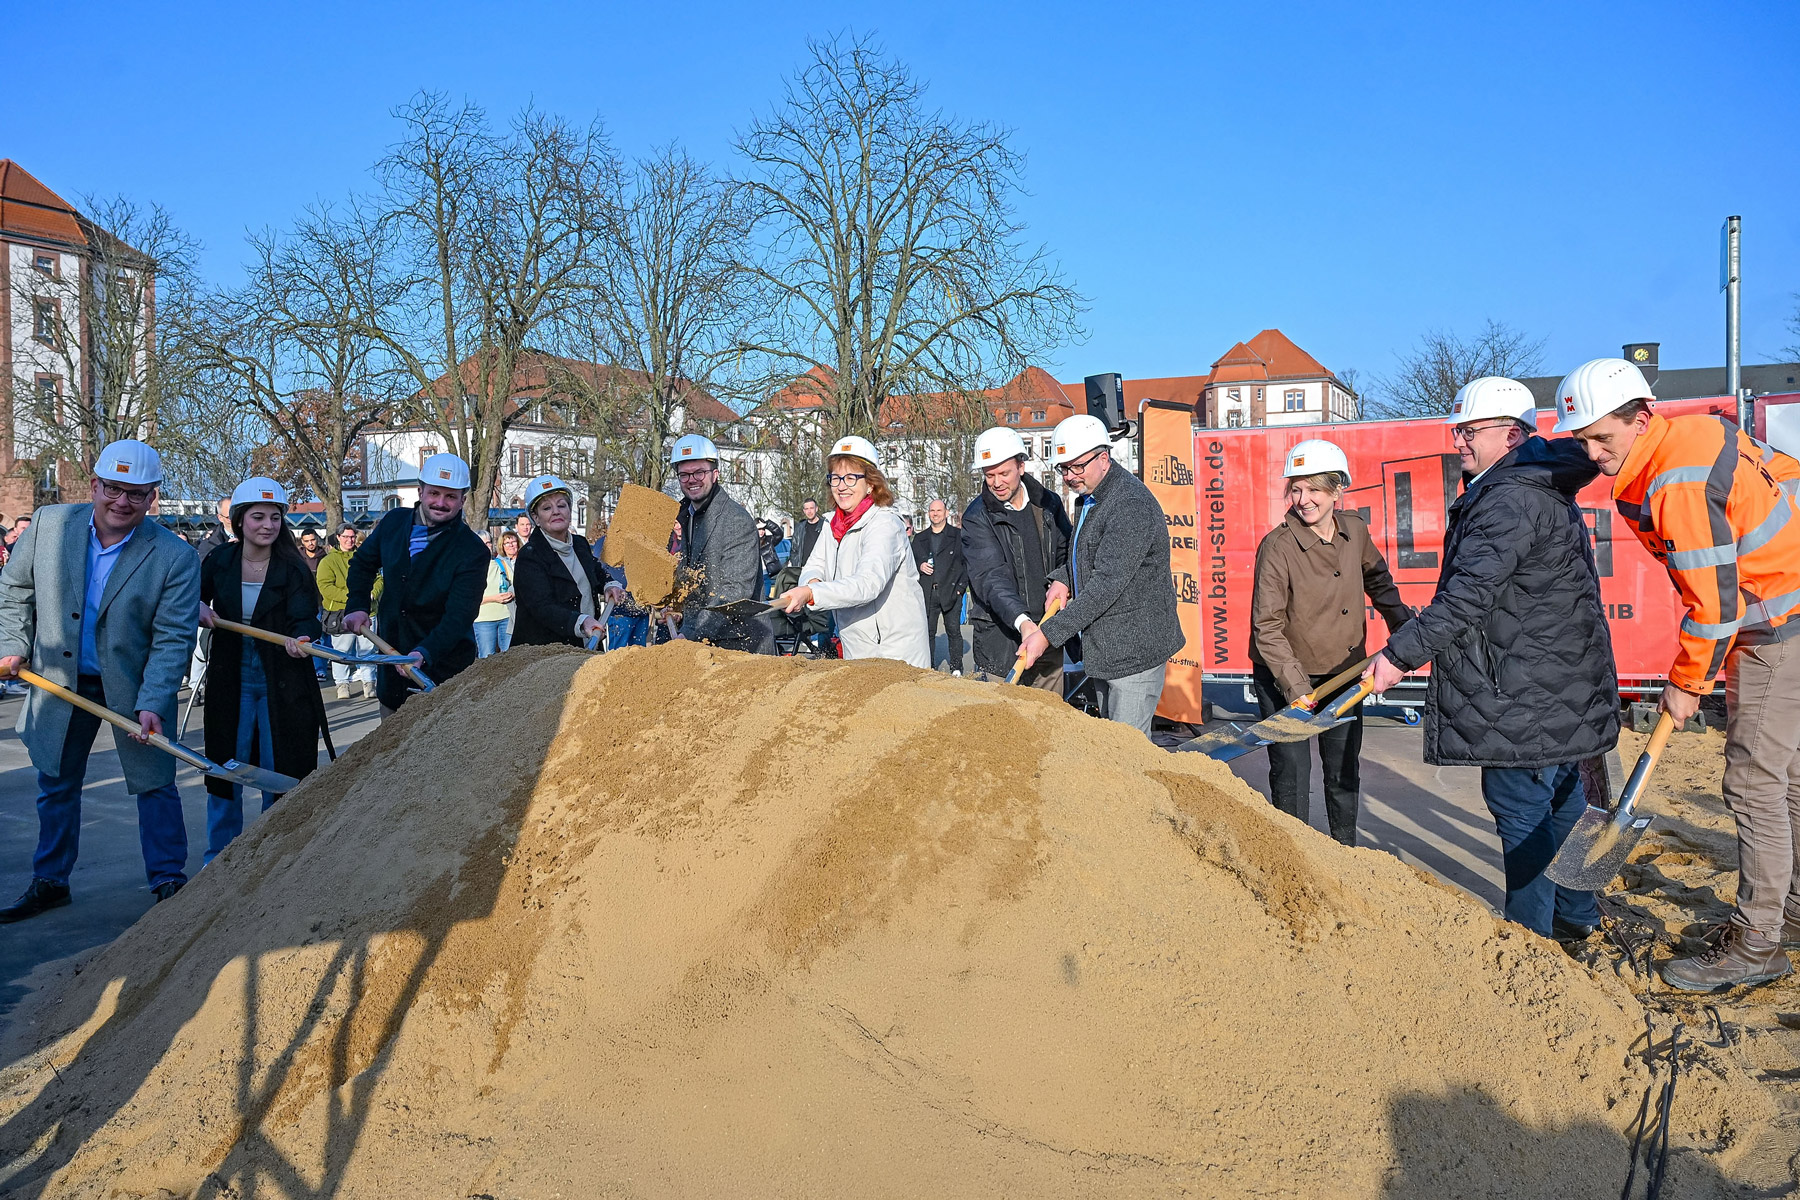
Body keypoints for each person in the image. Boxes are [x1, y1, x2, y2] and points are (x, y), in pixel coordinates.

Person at [1559, 357, 1800, 988]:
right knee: (1789, 775)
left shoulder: (1675, 483)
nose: (1591, 451)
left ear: (1641, 418)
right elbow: (1787, 477)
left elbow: (1714, 607)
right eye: (1580, 438)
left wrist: (1687, 683)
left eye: (1601, 438)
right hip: (1789, 601)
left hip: (1775, 623)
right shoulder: (1695, 432)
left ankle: (1758, 944)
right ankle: (1789, 908)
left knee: (1752, 785)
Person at [1366, 376, 1619, 941]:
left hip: (1521, 695)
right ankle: (1577, 918)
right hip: (1558, 691)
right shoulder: (1532, 487)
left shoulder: (1509, 500)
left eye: (1470, 430)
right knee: (1564, 801)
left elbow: (1465, 598)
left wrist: (1397, 657)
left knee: (1522, 812)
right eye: (1458, 429)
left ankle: (1532, 938)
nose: (1459, 441)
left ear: (1511, 435)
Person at [0, 440, 200, 920]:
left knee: (154, 781)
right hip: (59, 682)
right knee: (57, 780)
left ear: (152, 497)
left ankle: (169, 879)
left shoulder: (173, 556)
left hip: (130, 686)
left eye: (136, 493)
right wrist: (14, 642)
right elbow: (15, 589)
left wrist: (154, 700)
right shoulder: (50, 527)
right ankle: (50, 880)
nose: (121, 502)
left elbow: (173, 637)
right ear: (94, 485)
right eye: (113, 488)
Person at [1250, 439, 1411, 846]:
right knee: (1291, 774)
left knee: (1342, 768)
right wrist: (1298, 691)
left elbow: (1379, 581)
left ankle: (1345, 851)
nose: (1303, 500)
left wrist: (1406, 630)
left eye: (1314, 489)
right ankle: (1296, 856)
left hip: (1345, 672)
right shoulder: (1278, 547)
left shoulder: (1354, 530)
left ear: (1337, 490)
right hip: (1287, 678)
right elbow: (1266, 626)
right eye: (1296, 489)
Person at [1019, 416, 1185, 735]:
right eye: (1064, 469)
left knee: (1127, 756)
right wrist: (1063, 578)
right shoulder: (1091, 495)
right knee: (1112, 747)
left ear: (1103, 458)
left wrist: (1047, 635)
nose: (1069, 476)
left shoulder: (1129, 505)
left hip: (1134, 655)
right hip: (1107, 651)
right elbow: (1088, 555)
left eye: (1076, 467)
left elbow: (1104, 586)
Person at [196, 478, 327, 864]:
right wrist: (198, 608)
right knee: (225, 767)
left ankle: (275, 855)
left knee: (280, 764)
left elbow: (308, 617)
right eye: (257, 517)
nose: (267, 525)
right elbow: (191, 600)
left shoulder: (293, 568)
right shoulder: (219, 562)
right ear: (238, 520)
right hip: (230, 676)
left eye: (274, 517)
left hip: (282, 678)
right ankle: (218, 856)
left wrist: (301, 636)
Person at [342, 453, 489, 717]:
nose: (440, 503)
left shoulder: (472, 550)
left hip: (443, 670)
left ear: (462, 500)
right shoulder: (394, 522)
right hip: (391, 659)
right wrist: (357, 606)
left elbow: (460, 615)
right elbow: (363, 564)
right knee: (388, 747)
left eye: (450, 497)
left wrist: (425, 651)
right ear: (420, 491)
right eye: (434, 493)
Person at [777, 436, 930, 667]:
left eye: (850, 478)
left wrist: (812, 593)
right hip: (855, 643)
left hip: (894, 649)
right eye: (836, 478)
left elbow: (867, 584)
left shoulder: (885, 524)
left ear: (870, 484)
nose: (841, 486)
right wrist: (812, 581)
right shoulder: (832, 524)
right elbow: (814, 565)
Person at [961, 426, 1071, 690]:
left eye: (1004, 473)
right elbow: (990, 577)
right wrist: (1023, 623)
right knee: (1003, 725)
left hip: (1048, 635)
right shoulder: (976, 517)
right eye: (989, 476)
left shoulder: (1049, 503)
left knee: (1050, 720)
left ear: (1021, 466)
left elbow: (1067, 553)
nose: (997, 483)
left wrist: (1063, 579)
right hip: (1002, 644)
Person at [669, 434, 775, 653]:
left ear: (715, 474)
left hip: (741, 645)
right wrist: (678, 606)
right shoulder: (686, 515)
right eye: (684, 474)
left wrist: (690, 632)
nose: (692, 479)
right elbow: (695, 577)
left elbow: (735, 592)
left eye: (699, 472)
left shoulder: (736, 520)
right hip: (704, 644)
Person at [513, 474, 612, 648]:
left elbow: (594, 570)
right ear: (536, 518)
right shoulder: (530, 556)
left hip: (588, 642)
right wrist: (581, 622)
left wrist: (609, 584)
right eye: (546, 508)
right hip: (546, 652)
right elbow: (542, 607)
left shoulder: (580, 544)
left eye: (561, 505)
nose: (556, 511)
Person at [317, 525, 377, 700]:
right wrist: (353, 597)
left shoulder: (364, 557)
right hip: (340, 613)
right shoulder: (328, 561)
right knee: (341, 651)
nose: (349, 540)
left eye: (352, 537)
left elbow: (379, 578)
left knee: (368, 649)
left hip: (369, 610)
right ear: (338, 537)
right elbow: (325, 587)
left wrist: (373, 592)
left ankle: (369, 682)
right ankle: (342, 684)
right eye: (346, 536)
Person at [912, 498, 970, 675]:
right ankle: (929, 667)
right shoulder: (920, 538)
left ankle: (956, 668)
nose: (935, 514)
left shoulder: (957, 536)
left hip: (951, 591)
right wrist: (920, 565)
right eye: (932, 511)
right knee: (927, 632)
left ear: (946, 513)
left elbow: (967, 563)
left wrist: (960, 588)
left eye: (938, 510)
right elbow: (911, 562)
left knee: (953, 630)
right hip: (928, 591)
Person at [475, 530, 520, 657]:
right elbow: (469, 597)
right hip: (483, 620)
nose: (486, 546)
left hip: (506, 617)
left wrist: (511, 593)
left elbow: (516, 584)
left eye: (488, 542)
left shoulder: (502, 563)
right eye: (482, 543)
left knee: (510, 657)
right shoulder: (472, 567)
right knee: (486, 658)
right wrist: (494, 598)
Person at [195, 496, 235, 563]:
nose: (235, 519)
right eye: (229, 517)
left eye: (237, 514)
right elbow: (207, 570)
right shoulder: (208, 544)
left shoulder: (254, 535)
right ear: (220, 518)